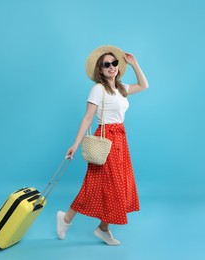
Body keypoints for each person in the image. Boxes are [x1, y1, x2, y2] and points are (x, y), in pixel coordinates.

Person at [57, 45, 149, 246]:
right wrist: (75, 144)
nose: (111, 67)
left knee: (119, 187)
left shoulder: (121, 89)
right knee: (96, 185)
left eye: (114, 63)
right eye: (106, 64)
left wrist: (134, 63)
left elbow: (144, 85)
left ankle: (103, 228)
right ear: (100, 70)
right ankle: (66, 219)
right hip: (105, 140)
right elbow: (88, 117)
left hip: (120, 141)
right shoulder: (98, 89)